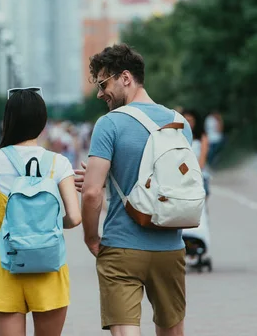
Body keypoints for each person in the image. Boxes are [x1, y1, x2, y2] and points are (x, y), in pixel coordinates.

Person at [76, 44, 192, 336]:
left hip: (121, 246)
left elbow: (91, 194)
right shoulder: (179, 124)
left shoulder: (109, 124)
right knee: (173, 330)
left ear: (125, 77)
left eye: (103, 84)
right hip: (170, 245)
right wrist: (100, 180)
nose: (100, 93)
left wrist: (91, 237)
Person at [0, 88, 82, 336]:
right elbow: (75, 217)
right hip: (48, 264)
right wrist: (52, 223)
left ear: (8, 120)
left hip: (6, 263)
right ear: (42, 121)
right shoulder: (59, 163)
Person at [182, 109, 211, 198]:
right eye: (185, 120)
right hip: (182, 176)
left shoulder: (202, 137)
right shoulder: (179, 137)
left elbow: (202, 158)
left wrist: (193, 175)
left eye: (190, 121)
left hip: (199, 176)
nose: (188, 123)